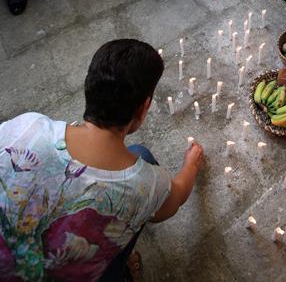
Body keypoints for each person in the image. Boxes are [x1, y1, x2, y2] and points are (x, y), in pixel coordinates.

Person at [0, 38, 205, 280]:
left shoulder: (28, 126)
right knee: (142, 163)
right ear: (143, 108)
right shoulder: (146, 186)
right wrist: (191, 164)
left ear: (88, 87)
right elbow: (173, 201)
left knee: (140, 153)